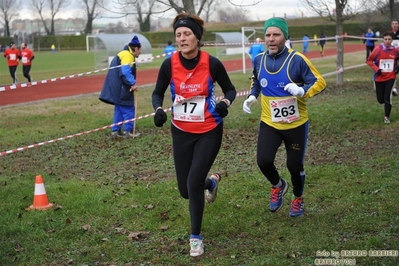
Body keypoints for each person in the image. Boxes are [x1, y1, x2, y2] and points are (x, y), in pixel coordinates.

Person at [151, 13, 236, 257]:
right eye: (178, 35)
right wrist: (157, 109)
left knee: (192, 182)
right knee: (186, 190)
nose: (182, 38)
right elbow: (157, 93)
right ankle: (212, 183)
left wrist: (225, 104)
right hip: (181, 131)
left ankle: (195, 237)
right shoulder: (169, 64)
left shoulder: (212, 63)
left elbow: (230, 89)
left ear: (197, 38)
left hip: (209, 129)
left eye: (186, 33)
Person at [242, 17, 326, 218]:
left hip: (296, 124)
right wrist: (252, 95)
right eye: (268, 35)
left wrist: (302, 90)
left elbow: (320, 82)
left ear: (285, 37)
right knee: (263, 161)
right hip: (270, 122)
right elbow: (257, 81)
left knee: (294, 166)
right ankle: (278, 185)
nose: (271, 39)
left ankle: (297, 198)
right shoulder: (258, 59)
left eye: (276, 34)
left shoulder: (297, 60)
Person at [99, 35, 142, 139]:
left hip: (116, 87)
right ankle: (129, 131)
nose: (140, 52)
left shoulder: (123, 53)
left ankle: (116, 131)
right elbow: (125, 72)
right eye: (140, 50)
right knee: (128, 107)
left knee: (119, 108)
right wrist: (133, 84)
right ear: (135, 48)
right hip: (122, 87)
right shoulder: (127, 55)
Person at [366, 31, 399, 124]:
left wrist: (398, 67)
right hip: (379, 77)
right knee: (381, 100)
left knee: (387, 97)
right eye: (385, 39)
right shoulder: (378, 49)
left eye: (389, 39)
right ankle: (385, 101)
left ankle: (386, 117)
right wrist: (377, 69)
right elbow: (369, 61)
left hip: (391, 76)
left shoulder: (396, 50)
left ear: (392, 40)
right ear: (383, 40)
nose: (387, 41)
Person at [390, 19, 399, 96]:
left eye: (396, 24)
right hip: (392, 55)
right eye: (393, 24)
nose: (394, 25)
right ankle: (394, 88)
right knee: (393, 71)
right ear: (391, 25)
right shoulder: (389, 34)